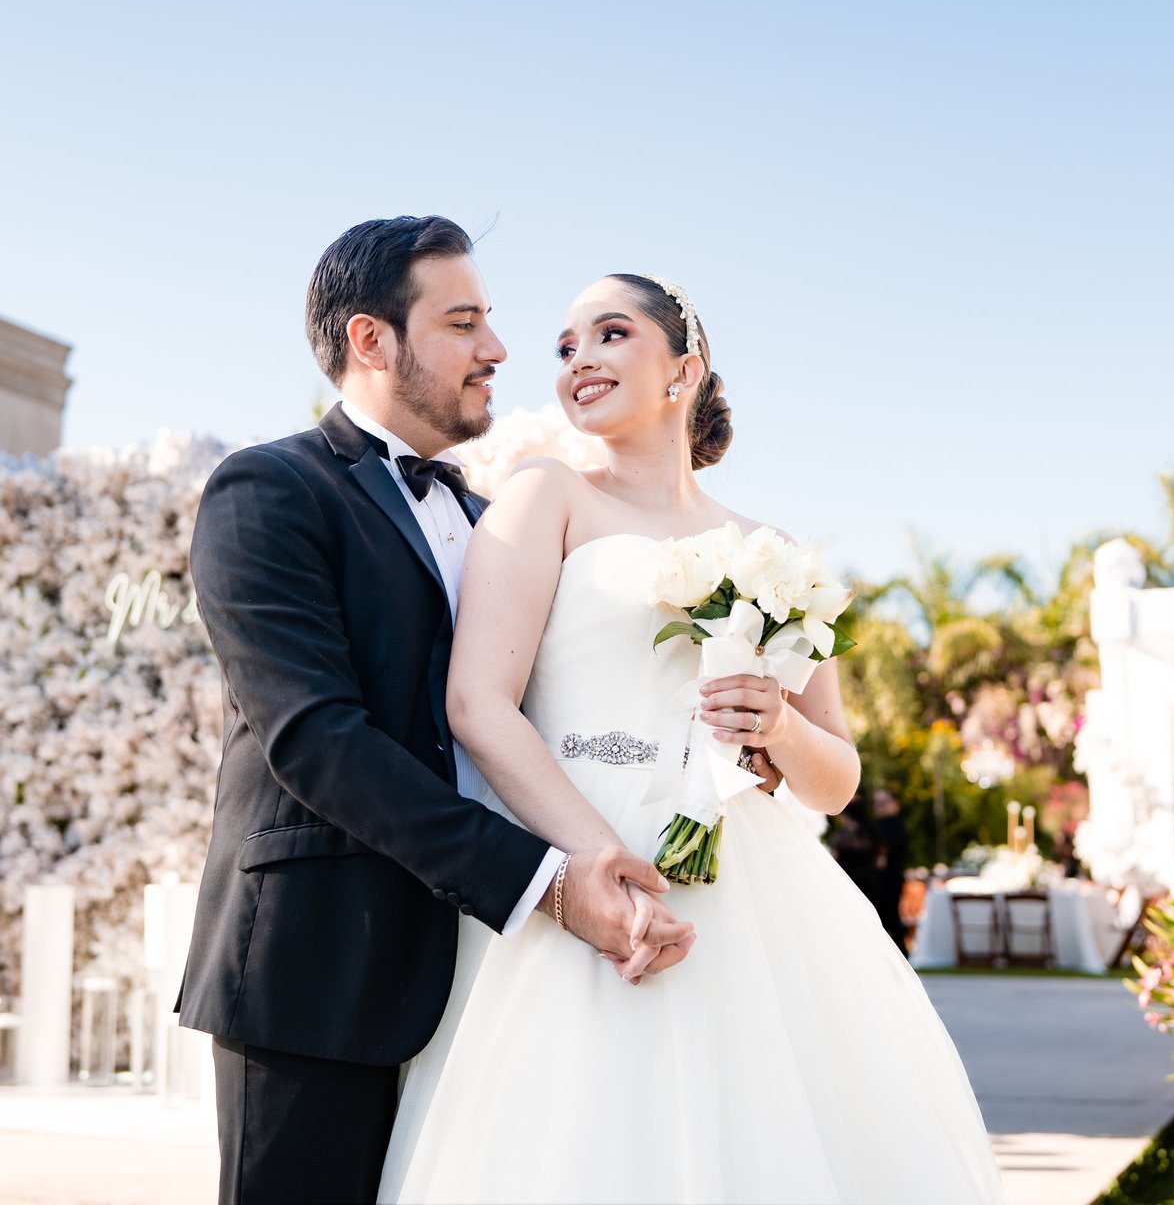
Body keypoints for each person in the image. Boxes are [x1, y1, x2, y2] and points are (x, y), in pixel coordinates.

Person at [380, 273, 1005, 1203]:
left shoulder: (772, 550)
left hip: (751, 893)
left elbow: (835, 780)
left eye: (610, 333)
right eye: (564, 346)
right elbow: (479, 704)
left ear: (686, 366)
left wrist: (779, 724)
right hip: (581, 870)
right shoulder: (546, 494)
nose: (579, 358)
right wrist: (597, 868)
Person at [177, 219, 695, 1205]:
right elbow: (318, 743)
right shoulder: (268, 489)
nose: (498, 350)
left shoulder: (492, 512)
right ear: (371, 340)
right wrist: (547, 882)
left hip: (483, 980)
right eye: (464, 323)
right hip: (319, 970)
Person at [868, 787, 913, 952]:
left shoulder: (897, 826)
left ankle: (902, 953)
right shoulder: (876, 826)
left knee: (890, 916)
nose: (880, 806)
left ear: (895, 804)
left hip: (891, 878)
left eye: (884, 802)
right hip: (876, 879)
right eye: (877, 803)